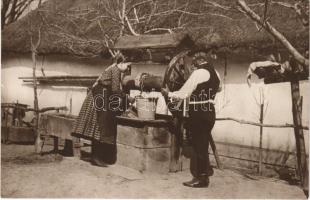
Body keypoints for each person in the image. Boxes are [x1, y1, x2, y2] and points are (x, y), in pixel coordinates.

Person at [161, 53, 221, 188]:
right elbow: (220, 88)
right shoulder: (215, 73)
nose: (193, 67)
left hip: (198, 112)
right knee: (203, 143)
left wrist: (168, 93)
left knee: (199, 145)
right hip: (210, 111)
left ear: (200, 61)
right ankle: (206, 172)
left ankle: (201, 178)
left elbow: (184, 93)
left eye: (194, 64)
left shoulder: (199, 73)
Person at [72, 54, 133, 167]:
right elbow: (115, 90)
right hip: (98, 97)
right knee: (101, 125)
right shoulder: (115, 70)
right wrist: (127, 98)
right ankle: (96, 157)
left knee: (98, 127)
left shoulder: (112, 68)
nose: (128, 69)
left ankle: (97, 156)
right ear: (122, 63)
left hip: (98, 95)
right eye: (128, 66)